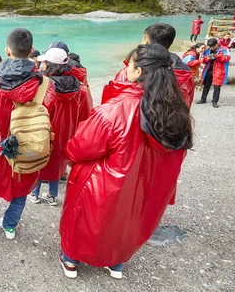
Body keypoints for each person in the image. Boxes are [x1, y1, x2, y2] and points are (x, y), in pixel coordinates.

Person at [59, 44, 193, 280]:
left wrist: (70, 155)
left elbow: (78, 149)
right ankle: (116, 262)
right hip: (147, 187)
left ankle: (70, 261)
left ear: (138, 72)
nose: (126, 67)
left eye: (129, 63)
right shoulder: (177, 112)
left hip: (105, 183)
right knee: (127, 222)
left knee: (85, 220)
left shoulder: (116, 110)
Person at [0, 28, 55, 240]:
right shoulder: (45, 85)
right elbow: (48, 114)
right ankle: (9, 226)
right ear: (32, 50)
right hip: (30, 145)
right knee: (22, 187)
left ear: (7, 51)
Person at [28, 48, 82, 206]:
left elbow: (43, 107)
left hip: (47, 128)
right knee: (58, 162)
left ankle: (34, 193)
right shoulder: (76, 83)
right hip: (66, 130)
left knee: (40, 159)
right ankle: (52, 196)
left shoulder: (46, 84)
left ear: (49, 65)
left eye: (45, 62)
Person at [112, 23, 194, 107]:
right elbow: (187, 101)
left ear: (146, 42)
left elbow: (114, 102)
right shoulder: (186, 72)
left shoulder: (131, 71)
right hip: (174, 118)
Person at [198, 38, 231, 108]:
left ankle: (215, 101)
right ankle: (203, 99)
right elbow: (203, 59)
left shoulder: (224, 49)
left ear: (217, 44)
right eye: (210, 47)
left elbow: (227, 58)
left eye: (213, 46)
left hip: (218, 70)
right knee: (206, 85)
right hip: (208, 69)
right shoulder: (207, 50)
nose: (212, 48)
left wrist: (217, 56)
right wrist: (208, 58)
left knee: (217, 86)